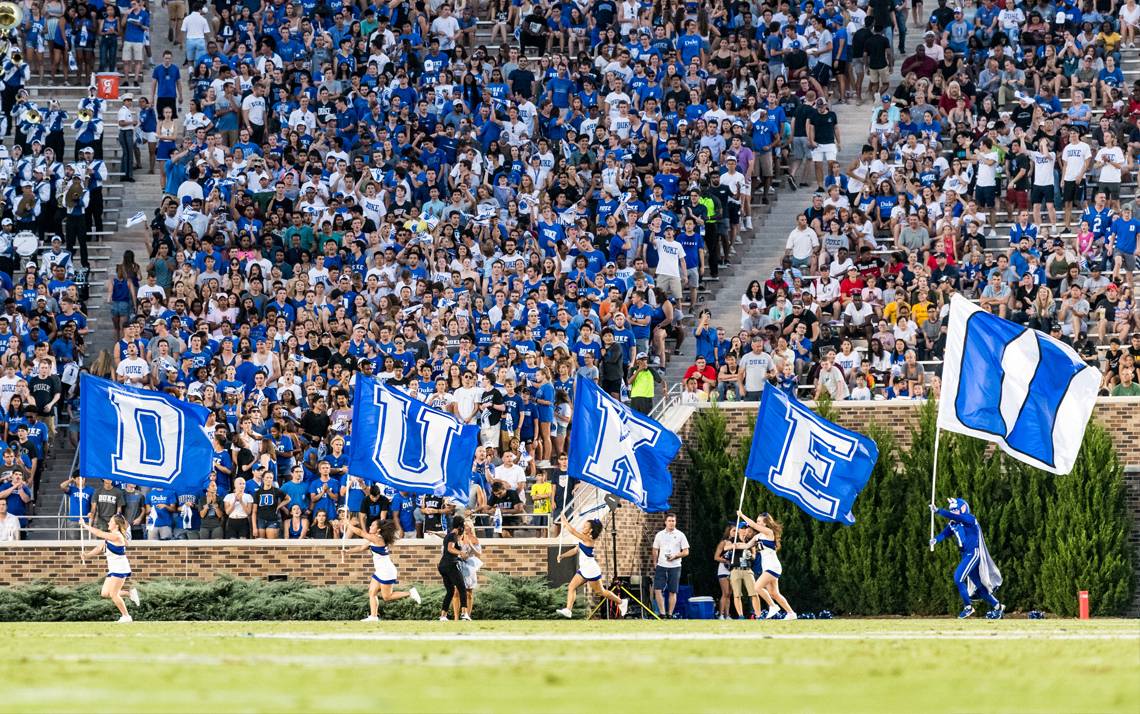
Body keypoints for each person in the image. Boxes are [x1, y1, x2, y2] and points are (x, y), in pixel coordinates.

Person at [930, 498, 1005, 619]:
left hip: (973, 554)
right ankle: (998, 607)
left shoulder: (970, 519)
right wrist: (935, 540)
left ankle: (968, 607)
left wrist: (939, 510)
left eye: (955, 510)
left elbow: (958, 517)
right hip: (965, 555)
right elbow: (945, 533)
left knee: (958, 578)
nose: (953, 513)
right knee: (979, 588)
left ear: (963, 508)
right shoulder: (953, 523)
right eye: (952, 510)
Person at [342, 517, 421, 622]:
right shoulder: (373, 539)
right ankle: (373, 617)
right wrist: (347, 552)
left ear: (379, 530)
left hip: (386, 571)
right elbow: (361, 548)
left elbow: (361, 532)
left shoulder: (378, 539)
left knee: (387, 597)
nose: (370, 526)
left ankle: (410, 593)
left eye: (373, 525)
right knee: (372, 593)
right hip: (381, 571)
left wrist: (348, 524)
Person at [555, 515, 628, 618]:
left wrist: (565, 522)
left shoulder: (588, 539)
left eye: (585, 527)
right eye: (583, 526)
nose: (583, 528)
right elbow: (575, 550)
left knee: (601, 591)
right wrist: (562, 556)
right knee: (571, 587)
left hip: (591, 570)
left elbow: (573, 531)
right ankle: (568, 610)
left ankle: (621, 602)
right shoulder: (583, 540)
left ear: (590, 531)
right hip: (584, 569)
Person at [79, 514, 140, 623]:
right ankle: (129, 593)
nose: (108, 523)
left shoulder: (117, 536)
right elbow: (99, 548)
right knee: (105, 593)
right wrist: (87, 555)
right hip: (113, 569)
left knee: (113, 594)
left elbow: (99, 533)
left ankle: (126, 616)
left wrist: (85, 525)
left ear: (116, 525)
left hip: (120, 569)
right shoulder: (110, 537)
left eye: (111, 522)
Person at [738, 511, 797, 620]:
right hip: (767, 567)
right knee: (774, 593)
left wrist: (741, 515)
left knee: (757, 587)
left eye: (760, 521)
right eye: (757, 521)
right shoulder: (758, 537)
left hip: (773, 566)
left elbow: (753, 525)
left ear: (765, 523)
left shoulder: (769, 532)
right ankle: (791, 613)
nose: (757, 523)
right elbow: (746, 545)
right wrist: (734, 545)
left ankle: (773, 606)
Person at [651, 512, 690, 618]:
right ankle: (662, 613)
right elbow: (655, 549)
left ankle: (670, 614)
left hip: (675, 566)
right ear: (665, 522)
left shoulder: (680, 535)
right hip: (661, 565)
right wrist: (655, 562)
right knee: (657, 589)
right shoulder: (659, 535)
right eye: (669, 521)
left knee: (673, 591)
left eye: (673, 521)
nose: (671, 523)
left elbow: (686, 552)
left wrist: (676, 556)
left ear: (675, 522)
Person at [438, 515, 472, 621]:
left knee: (450, 591)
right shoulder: (453, 535)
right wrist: (461, 553)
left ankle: (443, 616)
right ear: (460, 526)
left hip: (443, 566)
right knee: (462, 588)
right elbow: (450, 549)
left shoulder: (450, 535)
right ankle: (464, 614)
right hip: (450, 565)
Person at [712, 525, 736, 619]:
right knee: (725, 593)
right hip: (723, 570)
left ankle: (727, 615)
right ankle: (721, 614)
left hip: (732, 570)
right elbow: (716, 557)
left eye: (736, 531)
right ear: (729, 531)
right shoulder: (723, 542)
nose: (735, 532)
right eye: (733, 530)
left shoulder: (736, 543)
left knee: (729, 594)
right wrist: (726, 561)